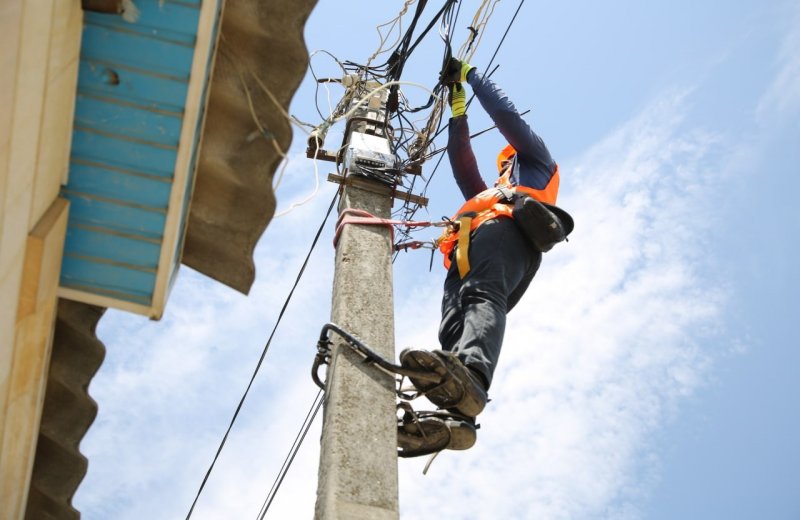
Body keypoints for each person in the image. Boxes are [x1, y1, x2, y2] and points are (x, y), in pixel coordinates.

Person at [397, 59, 573, 458]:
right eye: (505, 165)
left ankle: (473, 374)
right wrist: (457, 108)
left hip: (510, 236)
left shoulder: (539, 163)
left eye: (509, 160)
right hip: (473, 246)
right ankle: (459, 420)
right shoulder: (494, 191)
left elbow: (505, 116)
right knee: (453, 325)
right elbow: (463, 166)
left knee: (481, 297)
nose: (507, 165)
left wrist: (471, 75)